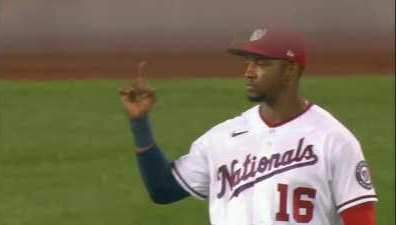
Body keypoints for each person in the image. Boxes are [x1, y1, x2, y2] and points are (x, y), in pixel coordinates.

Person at [119, 27, 378, 225]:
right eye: (248, 62)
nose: (249, 71)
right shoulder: (222, 138)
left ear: (289, 71)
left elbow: (361, 218)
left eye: (261, 63)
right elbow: (163, 189)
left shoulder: (333, 140)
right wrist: (139, 122)